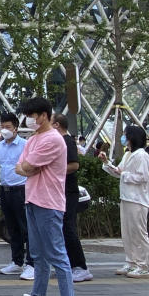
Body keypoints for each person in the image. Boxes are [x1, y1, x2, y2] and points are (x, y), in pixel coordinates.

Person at [13, 97, 78, 296]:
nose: (29, 120)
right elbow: (20, 166)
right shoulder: (34, 138)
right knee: (38, 254)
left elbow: (27, 167)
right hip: (33, 200)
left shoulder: (52, 139)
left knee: (57, 254)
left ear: (43, 115)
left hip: (49, 203)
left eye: (32, 116)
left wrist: (27, 168)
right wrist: (27, 168)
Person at [100, 125, 149, 278]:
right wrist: (107, 163)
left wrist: (123, 174)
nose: (123, 138)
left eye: (125, 135)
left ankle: (142, 265)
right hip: (127, 197)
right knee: (128, 233)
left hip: (138, 199)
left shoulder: (141, 155)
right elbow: (119, 172)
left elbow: (141, 177)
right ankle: (131, 262)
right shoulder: (128, 154)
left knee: (138, 233)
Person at [52, 114, 91, 282]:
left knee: (69, 229)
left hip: (68, 192)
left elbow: (74, 165)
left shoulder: (67, 141)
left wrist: (54, 170)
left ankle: (80, 266)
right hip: (60, 192)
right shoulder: (59, 141)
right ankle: (68, 264)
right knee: (62, 229)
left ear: (57, 125)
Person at [0, 112, 32, 279]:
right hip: (5, 189)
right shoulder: (0, 146)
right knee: (12, 227)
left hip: (21, 189)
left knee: (26, 227)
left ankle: (31, 262)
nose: (4, 130)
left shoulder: (25, 145)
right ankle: (17, 261)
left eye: (8, 127)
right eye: (2, 127)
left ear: (16, 128)